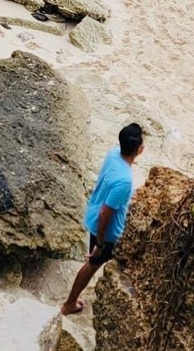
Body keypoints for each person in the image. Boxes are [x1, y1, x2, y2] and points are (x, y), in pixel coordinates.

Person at [61, 123, 144, 315]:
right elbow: (106, 214)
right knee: (92, 264)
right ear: (139, 150)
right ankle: (69, 304)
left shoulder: (113, 154)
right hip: (106, 232)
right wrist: (99, 243)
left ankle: (70, 301)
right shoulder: (125, 181)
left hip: (94, 211)